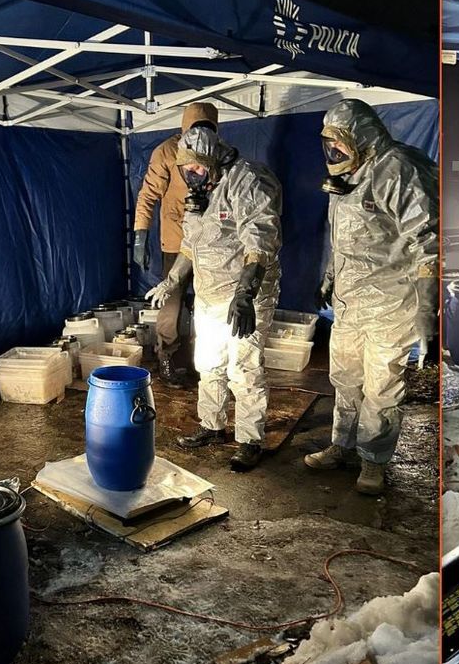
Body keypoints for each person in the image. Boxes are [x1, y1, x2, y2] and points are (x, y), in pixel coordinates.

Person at [303, 99, 438, 495]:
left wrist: (427, 313)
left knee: (382, 386)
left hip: (391, 303)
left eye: (340, 144)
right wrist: (330, 276)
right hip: (350, 301)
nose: (334, 153)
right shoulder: (347, 177)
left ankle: (374, 460)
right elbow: (342, 235)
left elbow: (427, 242)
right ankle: (342, 445)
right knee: (344, 378)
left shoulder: (397, 169)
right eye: (329, 145)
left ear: (361, 138)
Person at [146, 124, 282, 472]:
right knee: (208, 365)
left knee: (244, 368)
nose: (191, 177)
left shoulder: (246, 181)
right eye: (185, 171)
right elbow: (191, 245)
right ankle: (212, 425)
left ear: (213, 161)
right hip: (209, 294)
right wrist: (171, 281)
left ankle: (250, 439)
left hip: (244, 295)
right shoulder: (200, 195)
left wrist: (245, 294)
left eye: (197, 170)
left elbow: (260, 244)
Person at [133, 103, 220, 387]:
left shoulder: (218, 151)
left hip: (210, 241)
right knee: (172, 300)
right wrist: (140, 235)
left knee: (207, 302)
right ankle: (166, 357)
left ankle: (201, 358)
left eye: (207, 129)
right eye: (197, 129)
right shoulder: (168, 152)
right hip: (176, 240)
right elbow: (147, 196)